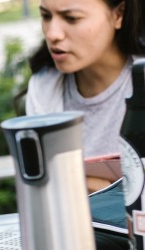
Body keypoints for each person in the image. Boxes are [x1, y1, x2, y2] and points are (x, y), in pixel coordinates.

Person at [24, 0, 145, 190]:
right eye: (46, 16)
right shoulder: (43, 90)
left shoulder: (141, 77)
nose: (52, 34)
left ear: (118, 14)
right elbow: (45, 187)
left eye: (71, 18)